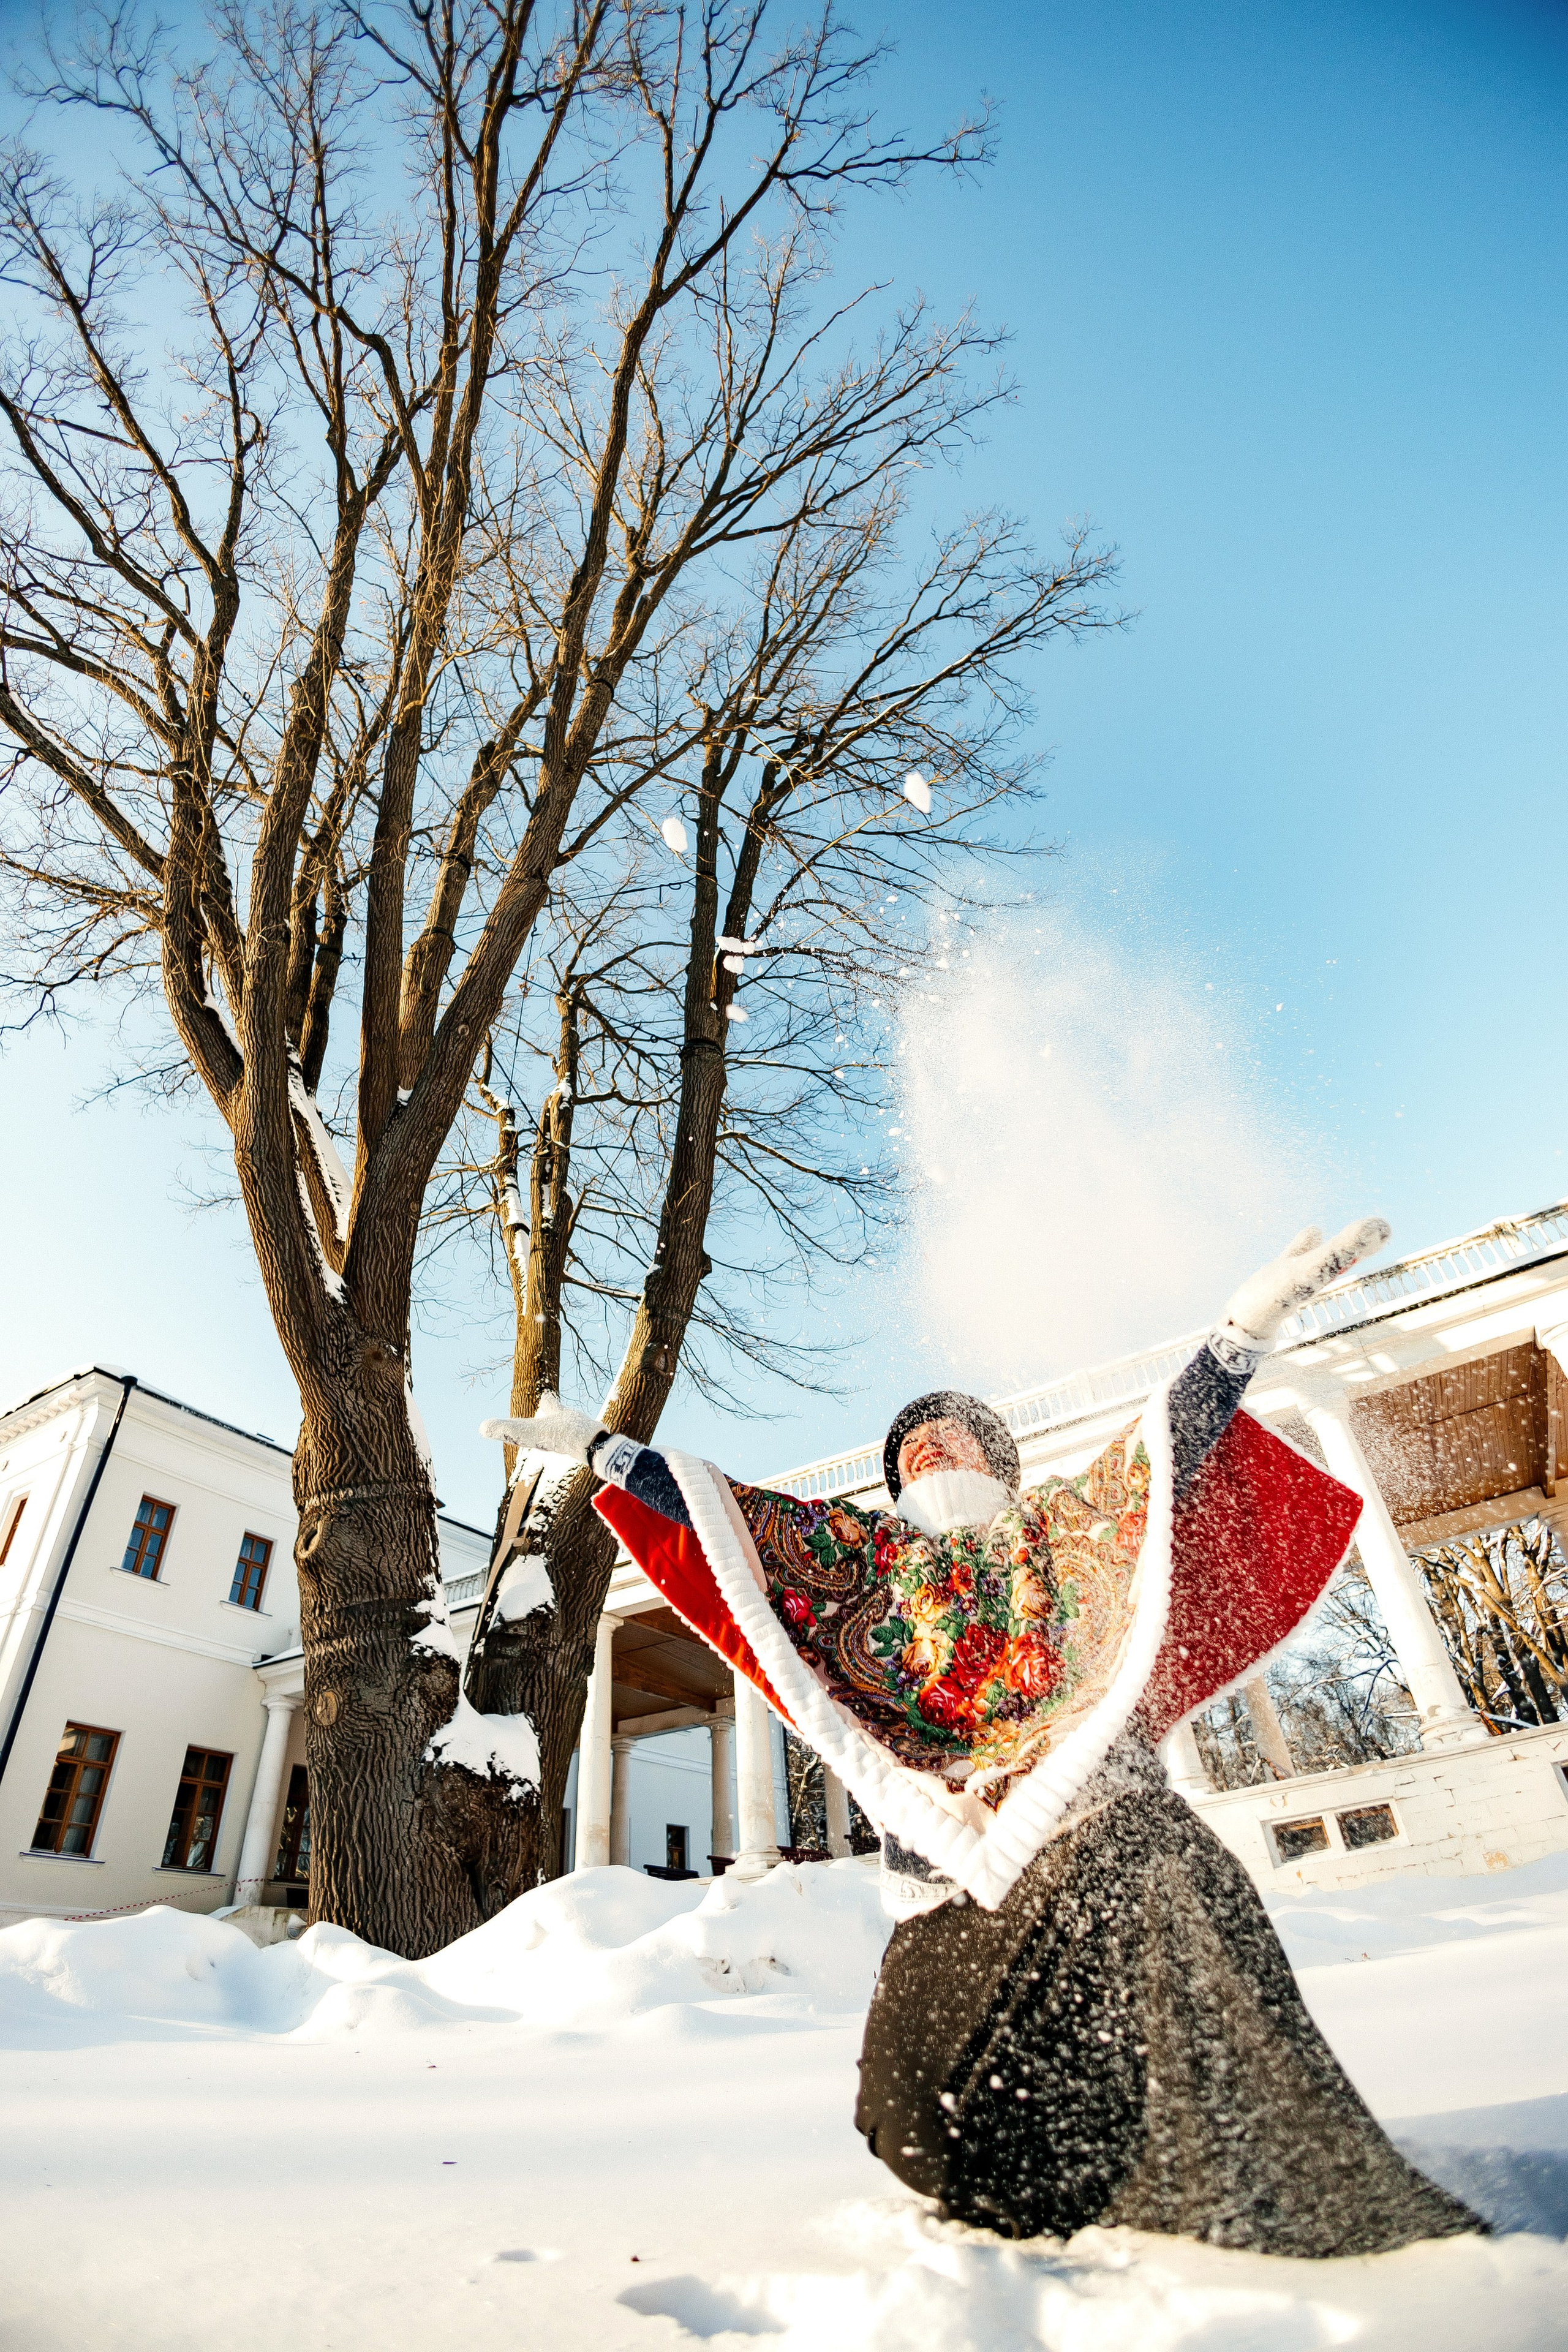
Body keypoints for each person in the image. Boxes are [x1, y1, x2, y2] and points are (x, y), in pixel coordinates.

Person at [483, 1219, 1480, 2255]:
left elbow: (1162, 1450)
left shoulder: (1065, 1532)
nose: (925, 1441)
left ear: (999, 1464)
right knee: (923, 2128)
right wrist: (601, 1450)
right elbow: (723, 1509)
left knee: (1153, 1861)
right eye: (908, 1442)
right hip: (952, 1940)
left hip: (1106, 1889)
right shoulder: (857, 1563)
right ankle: (1078, 2175)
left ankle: (1283, 2185)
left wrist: (1240, 1332)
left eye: (949, 1431)